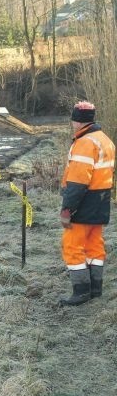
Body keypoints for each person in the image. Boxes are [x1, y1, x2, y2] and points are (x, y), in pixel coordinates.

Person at [60, 101, 115, 306]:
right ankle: (95, 288)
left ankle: (81, 292)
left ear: (76, 121)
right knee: (94, 245)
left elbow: (77, 182)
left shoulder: (85, 143)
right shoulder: (105, 140)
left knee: (72, 245)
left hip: (84, 202)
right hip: (101, 201)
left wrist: (67, 209)